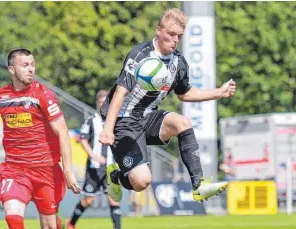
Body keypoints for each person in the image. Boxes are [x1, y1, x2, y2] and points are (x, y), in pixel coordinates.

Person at [99, 8, 236, 203]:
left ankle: (199, 185)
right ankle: (115, 177)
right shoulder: (139, 55)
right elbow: (120, 94)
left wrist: (218, 92)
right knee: (142, 182)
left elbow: (185, 94)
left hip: (148, 116)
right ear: (158, 31)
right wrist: (108, 129)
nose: (174, 40)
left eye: (178, 36)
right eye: (171, 34)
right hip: (123, 121)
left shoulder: (178, 63)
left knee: (182, 122)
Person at [0, 48, 81, 229]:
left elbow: (63, 131)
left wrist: (67, 170)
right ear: (12, 69)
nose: (31, 69)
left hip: (45, 169)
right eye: (25, 65)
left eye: (33, 64)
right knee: (12, 217)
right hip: (14, 169)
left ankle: (56, 223)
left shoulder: (43, 94)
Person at [66, 90, 131, 229]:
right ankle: (71, 224)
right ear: (97, 104)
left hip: (110, 167)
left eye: (105, 103)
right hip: (94, 167)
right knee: (89, 200)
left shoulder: (114, 120)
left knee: (114, 198)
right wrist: (94, 156)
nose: (103, 105)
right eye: (100, 103)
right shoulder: (91, 120)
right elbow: (82, 139)